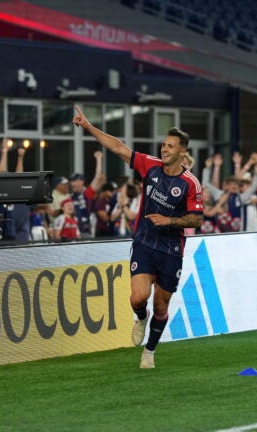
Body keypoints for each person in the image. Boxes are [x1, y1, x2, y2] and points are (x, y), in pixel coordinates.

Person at [72, 106, 203, 369]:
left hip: (170, 249)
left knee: (162, 305)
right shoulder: (150, 166)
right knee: (138, 298)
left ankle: (149, 351)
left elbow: (197, 220)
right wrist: (88, 127)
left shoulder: (191, 183)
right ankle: (140, 318)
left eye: (170, 146)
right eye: (163, 145)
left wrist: (170, 221)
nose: (164, 149)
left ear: (182, 152)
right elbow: (119, 148)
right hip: (144, 241)